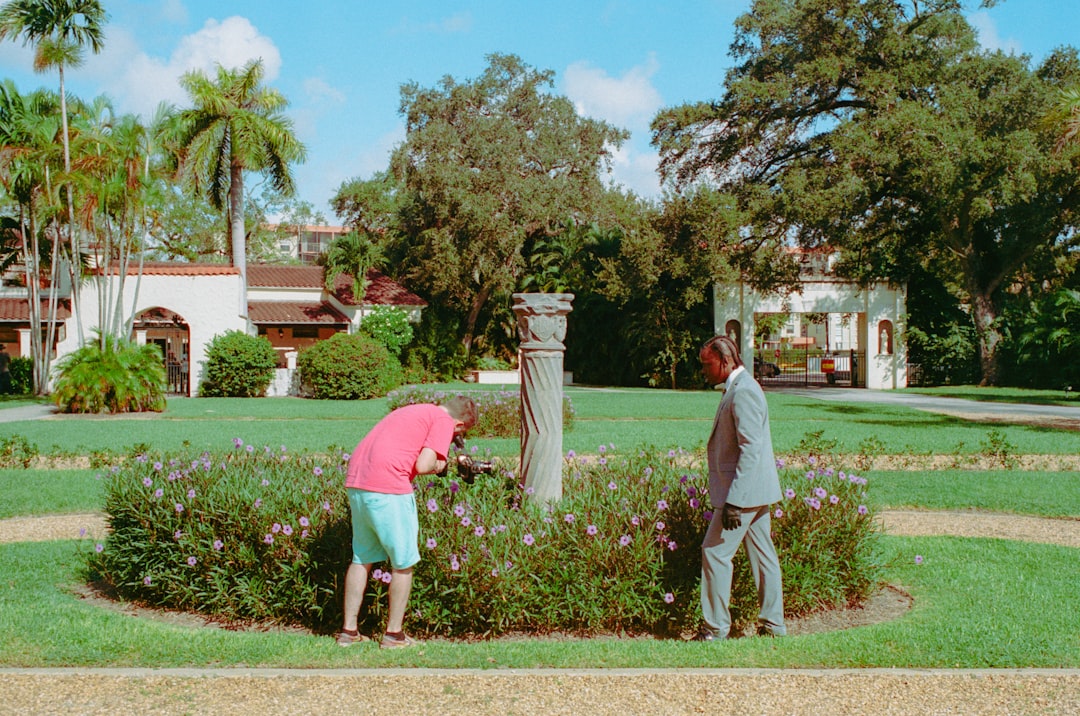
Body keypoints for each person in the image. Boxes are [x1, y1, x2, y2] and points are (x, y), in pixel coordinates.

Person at [337, 395, 478, 648]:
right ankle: (394, 635)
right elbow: (423, 465)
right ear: (458, 425)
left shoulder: (414, 411)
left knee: (362, 557)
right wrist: (441, 463)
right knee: (403, 562)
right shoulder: (443, 420)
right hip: (389, 487)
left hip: (358, 483)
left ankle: (348, 632)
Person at [696, 334, 786, 641]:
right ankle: (773, 626)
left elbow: (751, 450)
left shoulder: (743, 392)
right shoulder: (740, 387)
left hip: (743, 494)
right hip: (757, 491)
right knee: (763, 558)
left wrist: (734, 501)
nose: (704, 370)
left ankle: (715, 628)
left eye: (707, 364)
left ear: (724, 361)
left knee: (715, 553)